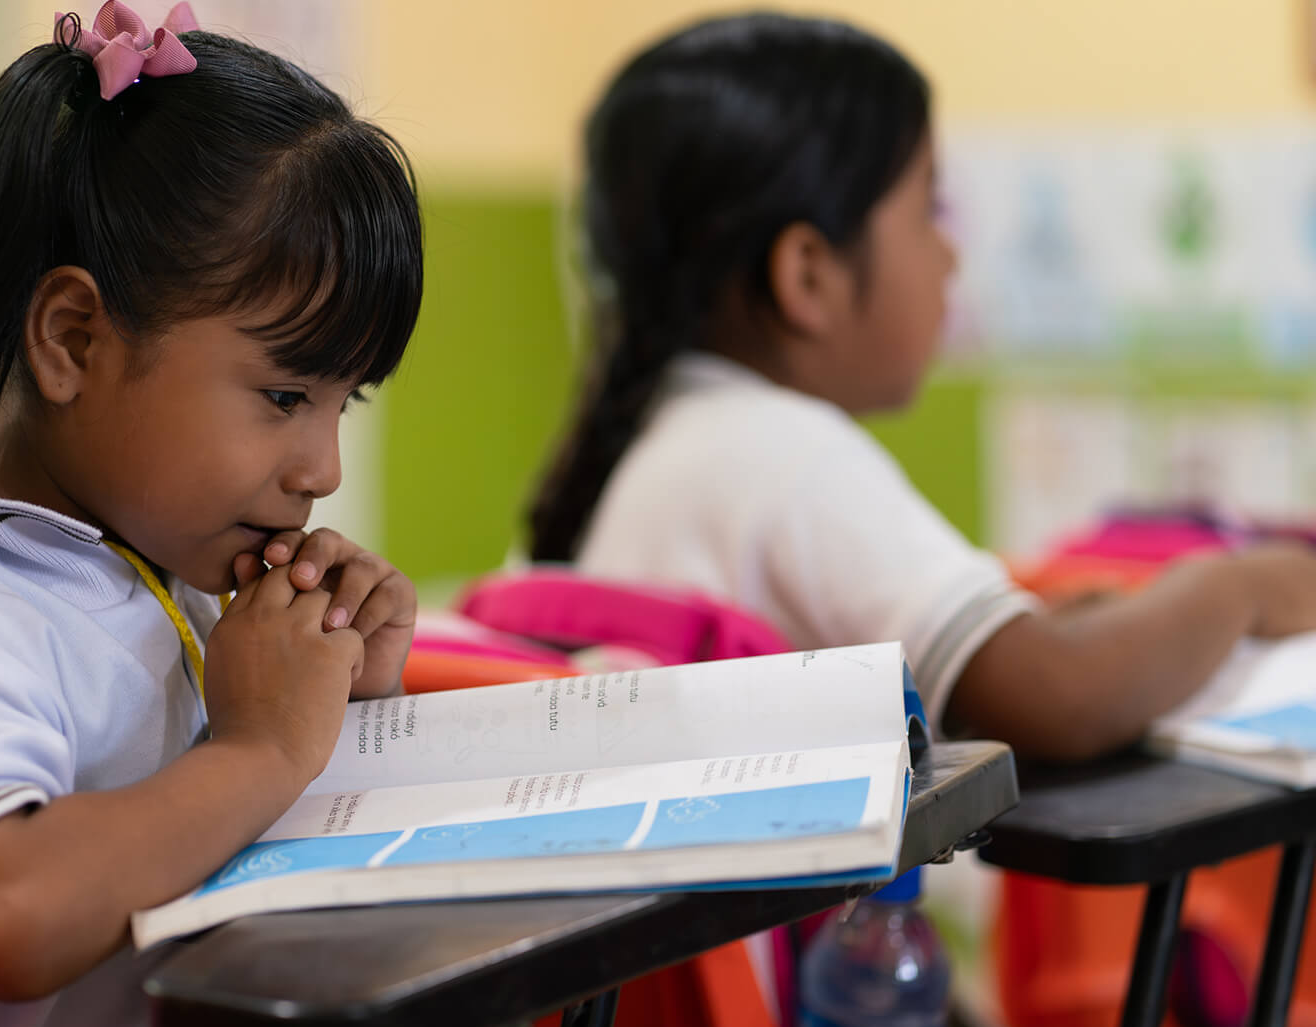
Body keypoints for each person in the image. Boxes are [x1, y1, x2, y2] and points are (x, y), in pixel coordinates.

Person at [0, 4, 423, 1027]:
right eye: (281, 393)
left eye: (339, 405)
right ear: (73, 339)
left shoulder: (152, 565)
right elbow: (6, 908)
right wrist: (262, 748)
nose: (323, 470)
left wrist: (340, 709)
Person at [528, 12, 1316, 762]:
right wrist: (1236, 588)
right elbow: (1058, 693)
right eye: (930, 208)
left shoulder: (662, 442)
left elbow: (1004, 646)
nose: (951, 256)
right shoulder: (783, 453)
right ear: (808, 274)